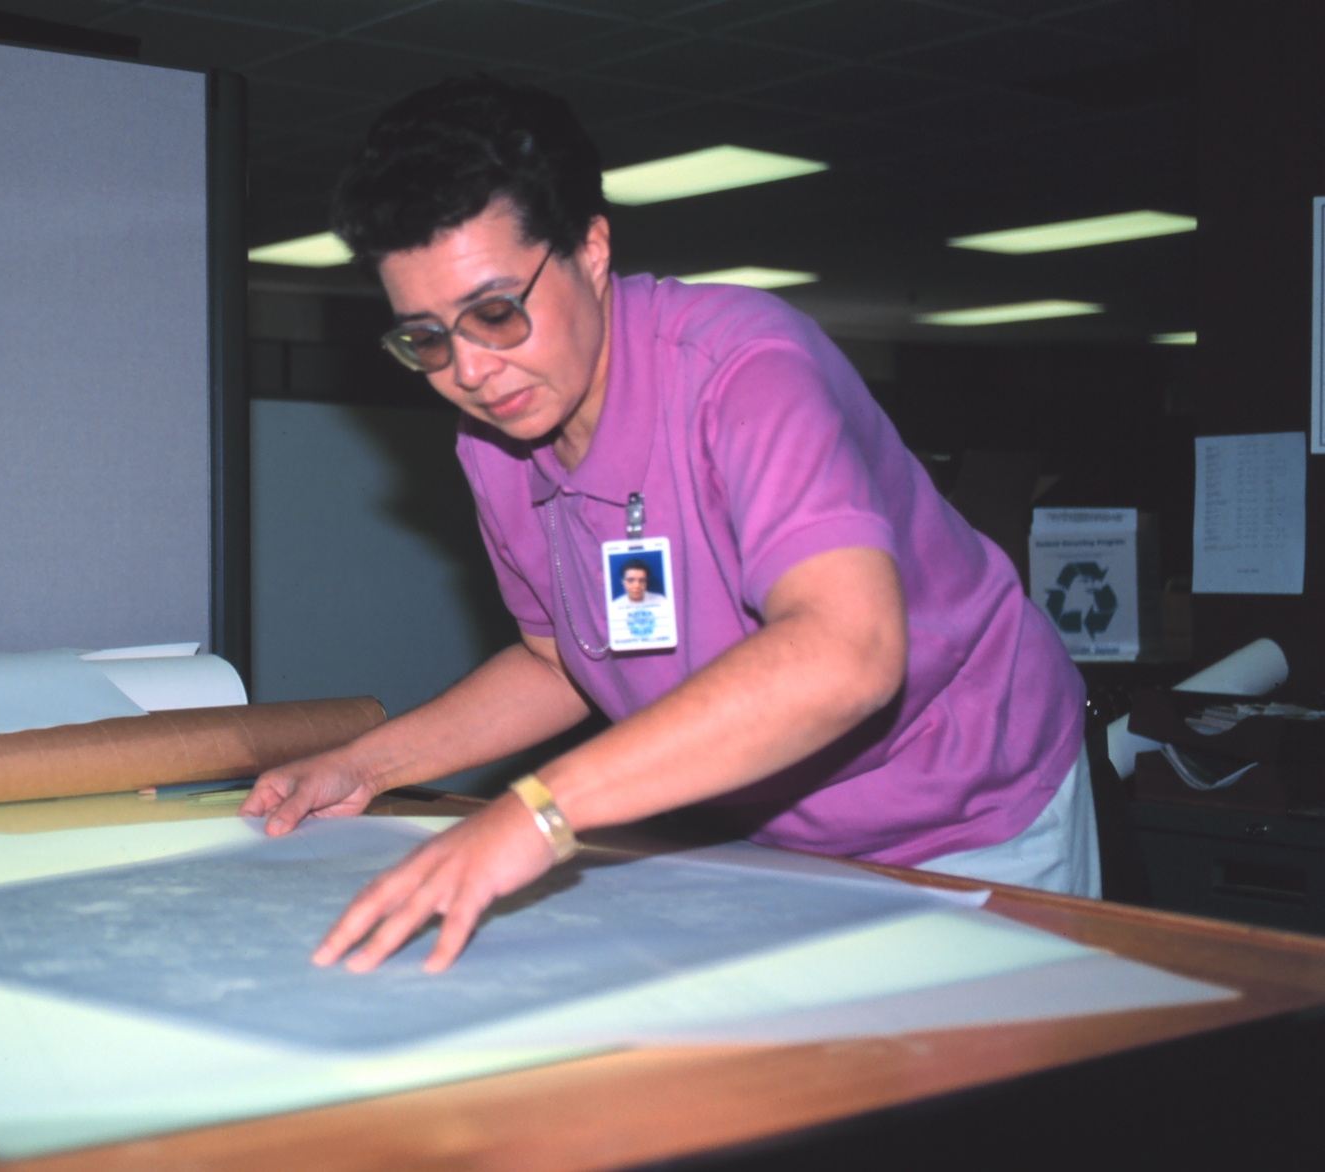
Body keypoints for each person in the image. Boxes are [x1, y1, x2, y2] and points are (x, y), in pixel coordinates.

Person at [240, 75, 1095, 976]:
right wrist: (368, 766)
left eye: (496, 312)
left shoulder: (746, 373)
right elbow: (562, 660)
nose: (472, 370)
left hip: (971, 813)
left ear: (592, 249)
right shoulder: (497, 444)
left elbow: (846, 652)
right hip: (768, 824)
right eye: (427, 339)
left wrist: (538, 812)